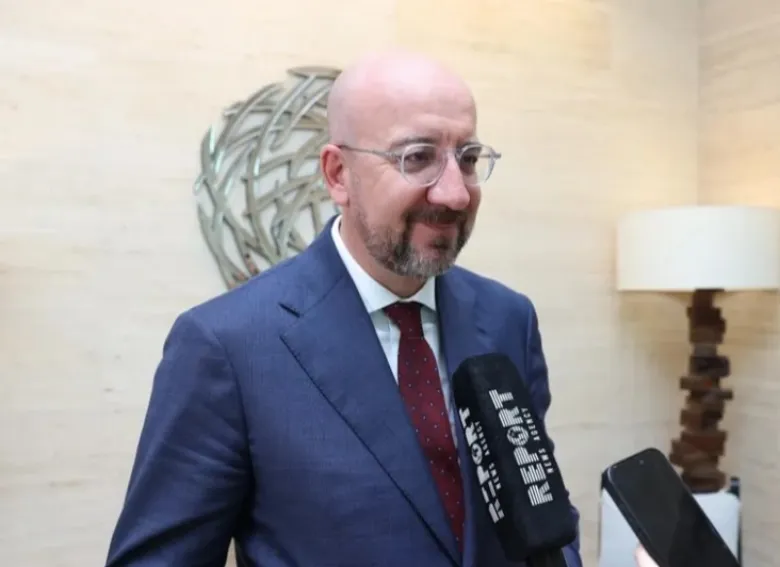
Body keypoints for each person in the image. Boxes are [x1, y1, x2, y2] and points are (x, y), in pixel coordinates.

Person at [105, 50, 584, 566]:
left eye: (467, 158)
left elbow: (542, 520)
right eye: (417, 157)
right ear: (338, 175)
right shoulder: (228, 346)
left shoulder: (508, 319)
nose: (455, 194)